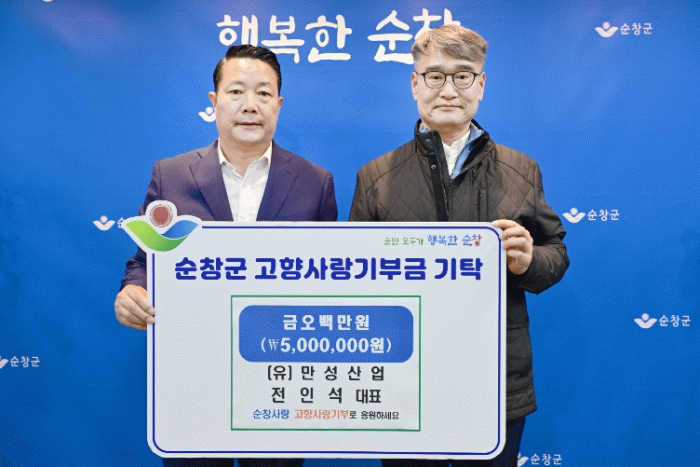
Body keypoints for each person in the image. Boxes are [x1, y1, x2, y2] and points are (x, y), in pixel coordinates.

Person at [349, 25, 569, 467]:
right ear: (415, 84)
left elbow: (556, 254)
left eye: (463, 75)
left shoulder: (522, 170)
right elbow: (352, 278)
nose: (448, 90)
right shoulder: (375, 178)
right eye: (435, 75)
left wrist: (529, 260)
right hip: (404, 384)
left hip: (495, 381)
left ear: (481, 85)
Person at [115, 44, 337, 467]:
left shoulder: (315, 182)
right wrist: (133, 291)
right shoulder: (171, 175)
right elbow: (145, 260)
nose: (250, 105)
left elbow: (329, 278)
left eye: (263, 94)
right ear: (215, 101)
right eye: (236, 92)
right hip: (194, 374)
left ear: (279, 104)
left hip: (280, 378)